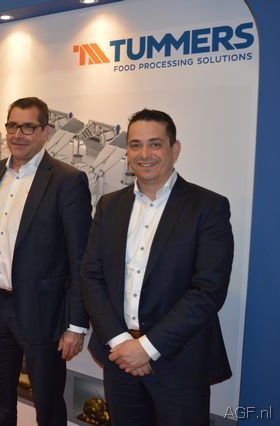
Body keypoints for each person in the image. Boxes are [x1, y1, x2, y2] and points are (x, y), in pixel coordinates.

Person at [81, 108, 234, 425]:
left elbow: (207, 291)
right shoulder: (109, 205)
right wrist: (121, 343)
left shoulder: (208, 208)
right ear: (127, 153)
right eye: (135, 145)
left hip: (180, 361)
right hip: (119, 358)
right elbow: (91, 276)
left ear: (175, 150)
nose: (144, 154)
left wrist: (146, 348)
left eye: (155, 144)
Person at [0, 97, 92, 425]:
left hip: (43, 312)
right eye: (12, 126)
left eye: (28, 127)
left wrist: (76, 325)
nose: (17, 134)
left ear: (45, 132)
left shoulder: (67, 181)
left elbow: (80, 259)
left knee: (48, 406)